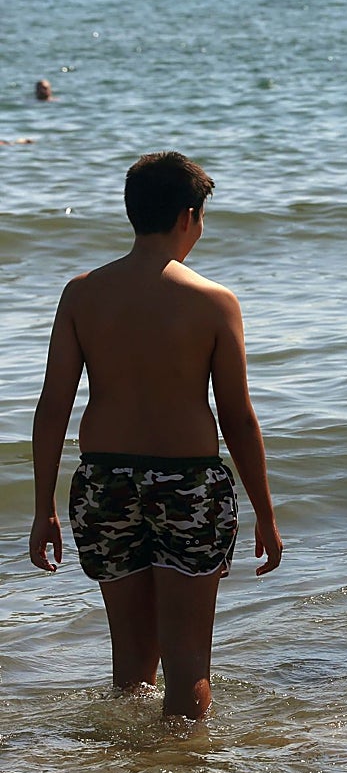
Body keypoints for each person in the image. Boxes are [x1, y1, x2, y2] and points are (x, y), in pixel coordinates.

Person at [28, 151, 284, 721]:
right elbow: (238, 418)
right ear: (189, 216)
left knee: (130, 666)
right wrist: (265, 513)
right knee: (189, 665)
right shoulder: (213, 302)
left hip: (104, 483)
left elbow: (52, 409)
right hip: (188, 484)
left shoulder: (82, 294)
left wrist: (43, 505)